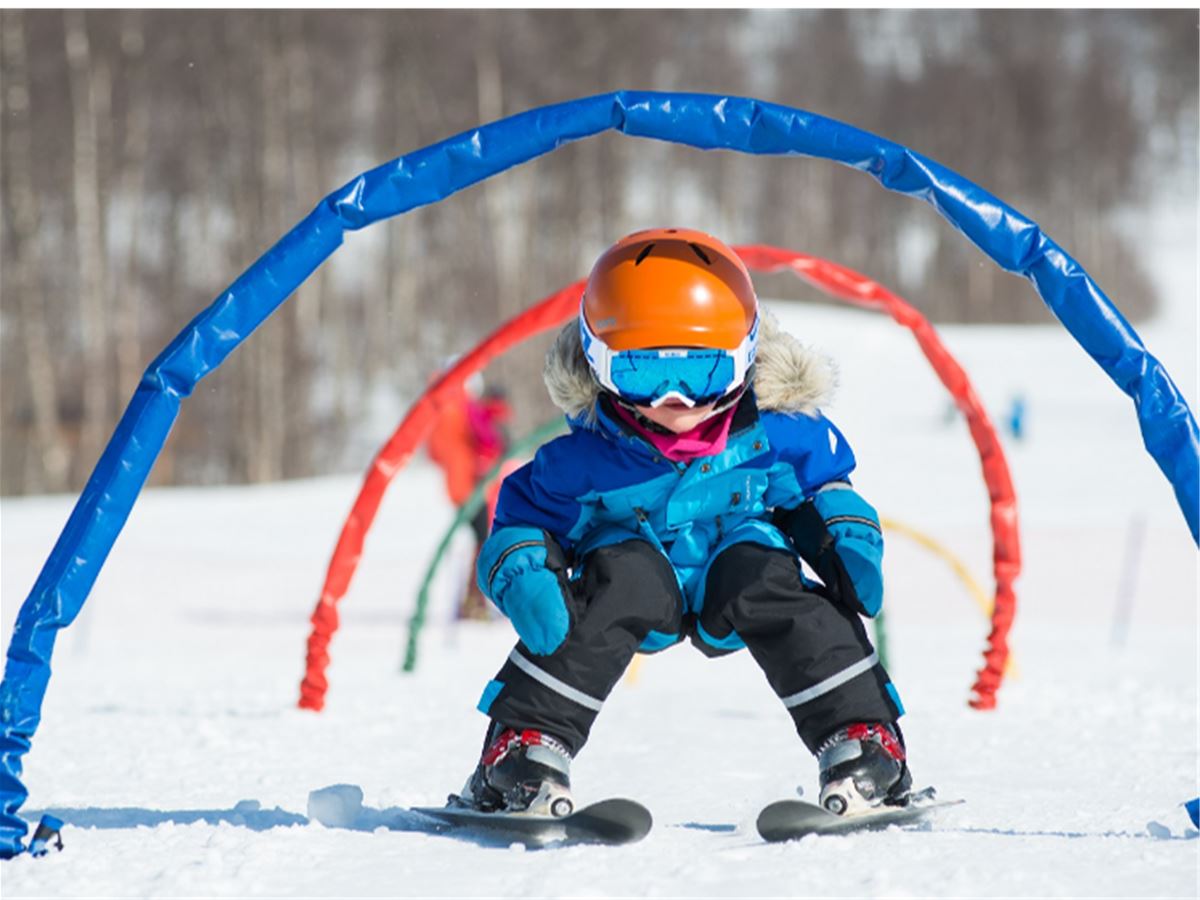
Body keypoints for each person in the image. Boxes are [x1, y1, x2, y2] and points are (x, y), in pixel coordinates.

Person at [454, 228, 911, 818]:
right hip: (635, 571)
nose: (676, 400)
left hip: (735, 562)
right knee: (611, 588)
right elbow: (523, 519)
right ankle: (523, 747)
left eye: (703, 372)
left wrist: (842, 532)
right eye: (642, 373)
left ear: (746, 359)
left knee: (770, 581)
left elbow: (820, 487)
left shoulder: (777, 434)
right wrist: (524, 569)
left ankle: (864, 739)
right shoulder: (583, 461)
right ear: (598, 365)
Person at [426, 374, 512, 618]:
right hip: (473, 485)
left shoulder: (447, 409)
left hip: (467, 484)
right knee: (483, 539)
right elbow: (487, 443)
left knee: (482, 538)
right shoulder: (462, 409)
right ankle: (474, 600)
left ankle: (474, 599)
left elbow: (436, 452)